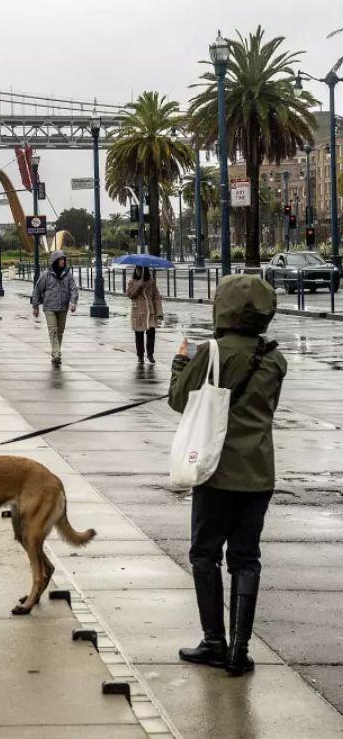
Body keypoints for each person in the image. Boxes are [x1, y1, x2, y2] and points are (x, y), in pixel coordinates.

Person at [170, 274, 286, 677]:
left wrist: (181, 362)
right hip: (259, 472)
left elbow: (178, 400)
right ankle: (240, 648)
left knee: (205, 553)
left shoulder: (213, 351)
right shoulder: (274, 357)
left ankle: (214, 641)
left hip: (215, 470)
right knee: (246, 558)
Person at [30, 250, 78, 367]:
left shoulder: (68, 275)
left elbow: (73, 289)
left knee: (60, 332)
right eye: (61, 259)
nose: (63, 261)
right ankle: (57, 353)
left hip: (63, 307)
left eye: (64, 259)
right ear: (55, 261)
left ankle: (55, 352)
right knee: (53, 331)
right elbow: (37, 290)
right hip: (49, 308)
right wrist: (35, 306)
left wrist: (73, 302)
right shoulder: (46, 275)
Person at [126, 265, 164, 364]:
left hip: (150, 313)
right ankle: (140, 356)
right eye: (137, 269)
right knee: (139, 335)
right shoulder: (132, 282)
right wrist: (139, 284)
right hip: (137, 313)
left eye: (140, 269)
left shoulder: (151, 282)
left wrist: (159, 312)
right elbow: (130, 295)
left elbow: (156, 297)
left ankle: (150, 354)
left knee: (151, 334)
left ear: (144, 270)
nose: (138, 271)